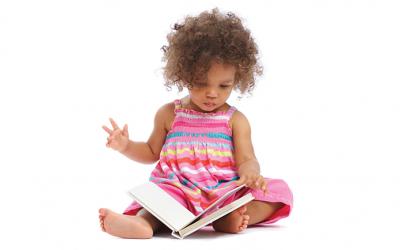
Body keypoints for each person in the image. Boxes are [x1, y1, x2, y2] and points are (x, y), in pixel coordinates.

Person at [99, 8, 293, 239]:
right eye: (201, 83)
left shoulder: (235, 120)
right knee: (159, 203)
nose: (212, 93)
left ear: (238, 79)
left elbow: (247, 159)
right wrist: (125, 146)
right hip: (177, 190)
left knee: (279, 190)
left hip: (223, 193)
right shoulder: (169, 114)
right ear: (183, 74)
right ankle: (142, 223)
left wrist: (251, 173)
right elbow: (151, 152)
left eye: (224, 86)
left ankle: (230, 216)